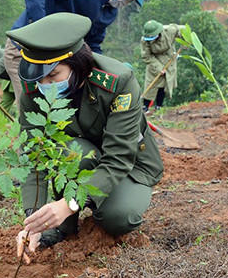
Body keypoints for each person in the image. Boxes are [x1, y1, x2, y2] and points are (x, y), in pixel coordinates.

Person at [9, 13, 164, 264]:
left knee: (118, 217)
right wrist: (35, 221)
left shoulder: (118, 82)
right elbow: (35, 155)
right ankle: (65, 228)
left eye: (54, 76)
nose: (45, 85)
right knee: (70, 151)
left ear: (77, 64)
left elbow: (118, 159)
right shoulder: (34, 89)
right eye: (40, 78)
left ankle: (88, 207)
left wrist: (69, 203)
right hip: (80, 153)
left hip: (128, 164)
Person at [4, 0, 150, 104]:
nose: (125, 3)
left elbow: (93, 42)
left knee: (62, 107)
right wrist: (42, 37)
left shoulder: (109, 11)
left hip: (59, 61)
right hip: (26, 51)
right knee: (32, 106)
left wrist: (99, 69)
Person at [140, 20, 181, 113]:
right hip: (154, 61)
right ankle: (145, 106)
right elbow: (146, 56)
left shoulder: (169, 30)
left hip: (168, 58)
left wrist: (185, 42)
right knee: (151, 84)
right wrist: (159, 68)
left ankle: (159, 106)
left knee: (163, 84)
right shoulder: (144, 40)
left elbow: (183, 31)